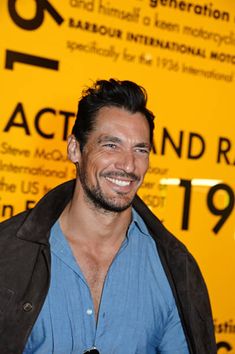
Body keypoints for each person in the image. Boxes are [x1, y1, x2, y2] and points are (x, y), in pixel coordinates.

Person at [0, 79, 216, 354]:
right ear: (75, 149)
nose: (128, 164)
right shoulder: (7, 254)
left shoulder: (174, 267)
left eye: (140, 149)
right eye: (111, 145)